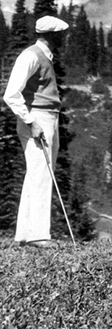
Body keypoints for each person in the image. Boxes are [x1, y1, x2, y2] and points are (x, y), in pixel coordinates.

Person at [3, 15, 70, 249]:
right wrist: (31, 121)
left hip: (45, 118)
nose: (64, 37)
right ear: (51, 35)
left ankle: (25, 233)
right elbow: (11, 93)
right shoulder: (31, 55)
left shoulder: (44, 56)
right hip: (37, 119)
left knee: (36, 174)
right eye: (61, 33)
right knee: (41, 174)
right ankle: (38, 235)